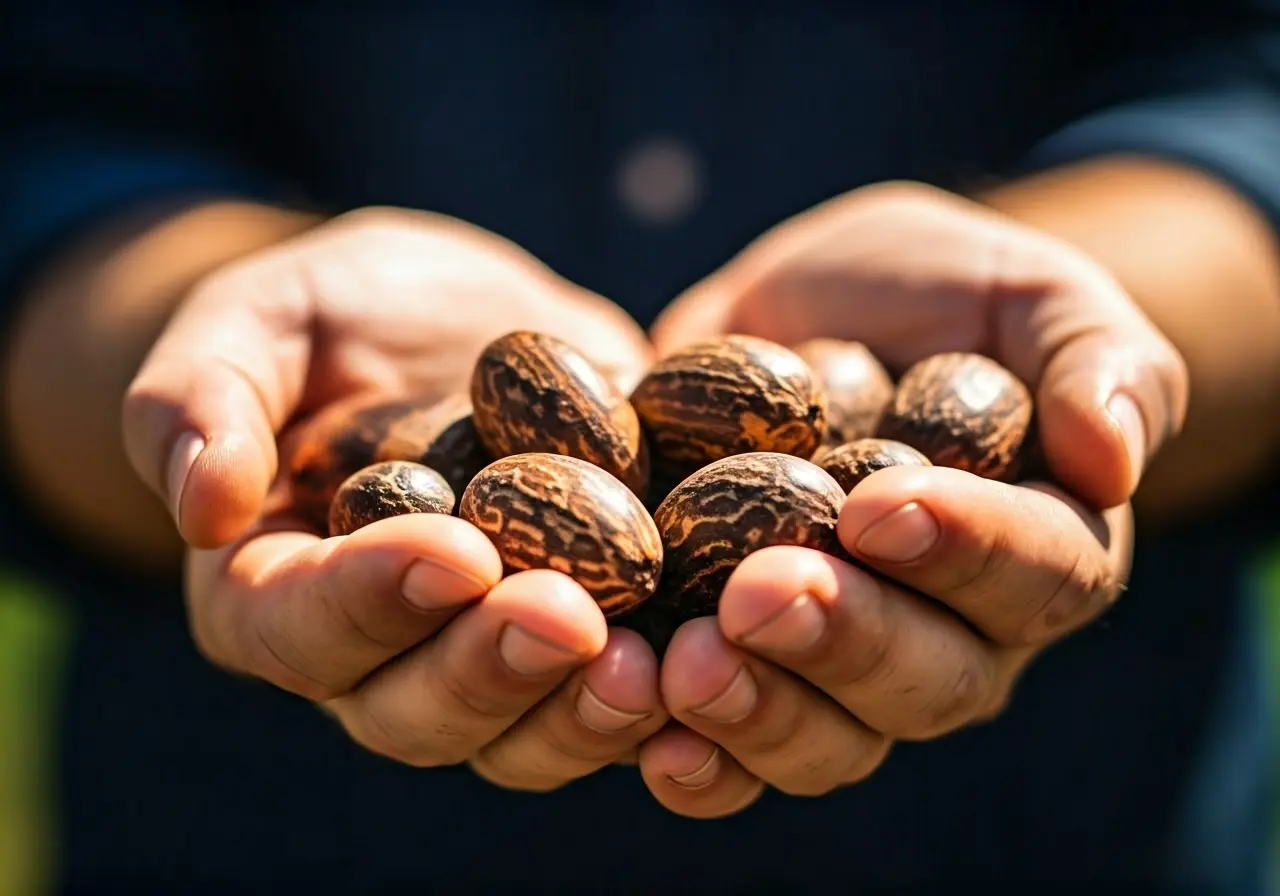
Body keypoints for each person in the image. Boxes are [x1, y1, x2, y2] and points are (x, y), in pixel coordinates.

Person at [1, 2, 1278, 892]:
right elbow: (52, 126)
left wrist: (1097, 324)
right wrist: (195, 370)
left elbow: (1239, 84)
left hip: (1073, 827)